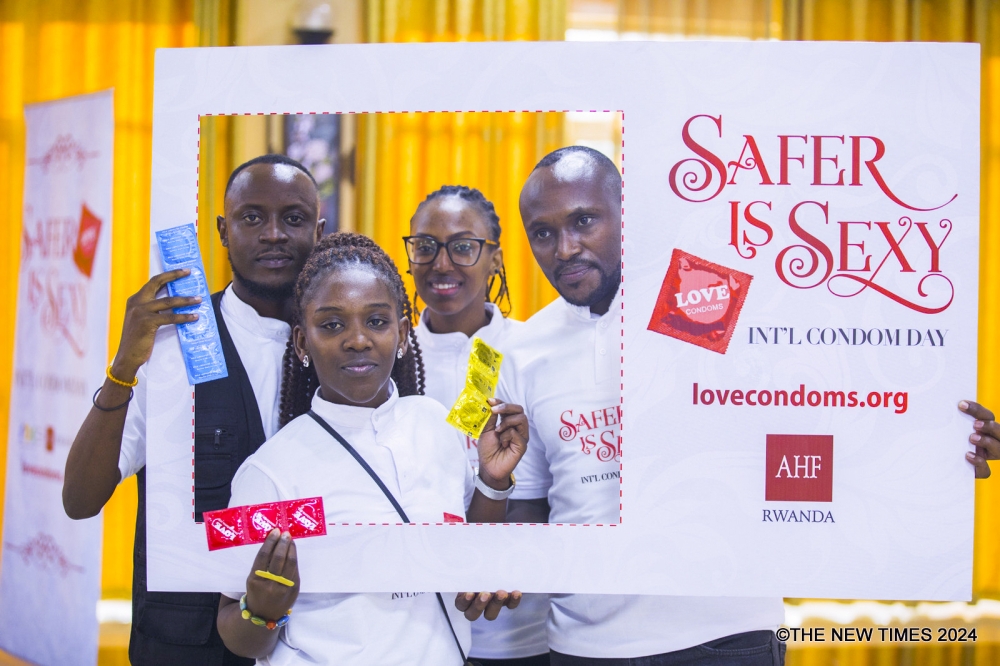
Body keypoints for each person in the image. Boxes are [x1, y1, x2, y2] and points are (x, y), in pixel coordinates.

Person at [62, 154, 325, 665]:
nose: (273, 233)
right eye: (252, 218)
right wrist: (124, 366)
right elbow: (80, 498)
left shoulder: (344, 349)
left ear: (318, 229)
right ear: (223, 231)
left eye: (292, 218)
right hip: (185, 645)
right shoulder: (171, 348)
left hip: (310, 641)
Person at [217, 232, 528, 665]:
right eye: (331, 324)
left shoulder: (436, 424)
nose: (357, 340)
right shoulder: (268, 473)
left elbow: (467, 555)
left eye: (377, 322)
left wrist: (493, 482)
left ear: (402, 334)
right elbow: (233, 627)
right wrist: (262, 612)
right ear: (302, 342)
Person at [404, 185, 550, 666]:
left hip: (517, 632)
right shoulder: (382, 358)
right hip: (412, 632)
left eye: (463, 246)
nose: (442, 263)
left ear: (495, 259)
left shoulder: (532, 351)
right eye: (425, 246)